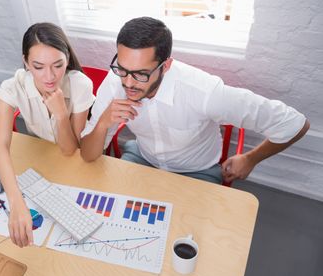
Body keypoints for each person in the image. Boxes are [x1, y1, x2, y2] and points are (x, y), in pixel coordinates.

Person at [80, 16, 310, 185]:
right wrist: (102, 123)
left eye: (141, 74)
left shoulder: (205, 92)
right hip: (143, 158)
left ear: (166, 66)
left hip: (197, 172)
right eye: (122, 69)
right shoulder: (114, 81)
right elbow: (87, 155)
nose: (128, 83)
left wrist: (250, 158)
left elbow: (295, 124)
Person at [0, 22, 94, 248]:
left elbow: (70, 150)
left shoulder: (80, 84)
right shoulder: (12, 87)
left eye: (58, 65)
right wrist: (16, 202)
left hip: (73, 161)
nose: (49, 76)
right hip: (42, 157)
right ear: (26, 62)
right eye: (38, 67)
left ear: (67, 59)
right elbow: (0, 147)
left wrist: (60, 114)